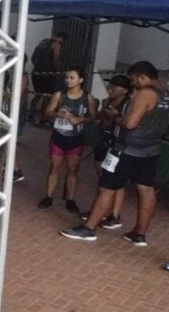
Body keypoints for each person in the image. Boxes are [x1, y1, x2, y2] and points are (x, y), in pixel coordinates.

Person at [61, 61, 168, 245]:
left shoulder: (145, 93)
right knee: (146, 189)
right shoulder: (165, 94)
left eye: (133, 79)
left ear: (141, 76)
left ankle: (89, 229)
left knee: (107, 187)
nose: (132, 83)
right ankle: (139, 233)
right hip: (151, 149)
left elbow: (130, 124)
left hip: (127, 149)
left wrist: (115, 116)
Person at [38, 67, 96, 213]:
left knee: (72, 170)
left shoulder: (87, 97)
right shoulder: (59, 95)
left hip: (76, 138)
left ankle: (70, 199)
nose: (68, 81)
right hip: (59, 136)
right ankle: (48, 196)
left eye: (72, 78)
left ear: (80, 80)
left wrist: (80, 119)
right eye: (67, 78)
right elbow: (48, 111)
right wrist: (60, 115)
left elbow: (94, 116)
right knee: (54, 167)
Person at [83, 74, 132, 228]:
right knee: (103, 177)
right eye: (110, 86)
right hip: (103, 142)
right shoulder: (107, 101)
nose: (111, 89)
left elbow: (127, 124)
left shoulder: (128, 105)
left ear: (124, 90)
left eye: (115, 87)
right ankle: (100, 210)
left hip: (117, 144)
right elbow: (99, 119)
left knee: (116, 181)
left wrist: (114, 116)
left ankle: (114, 215)